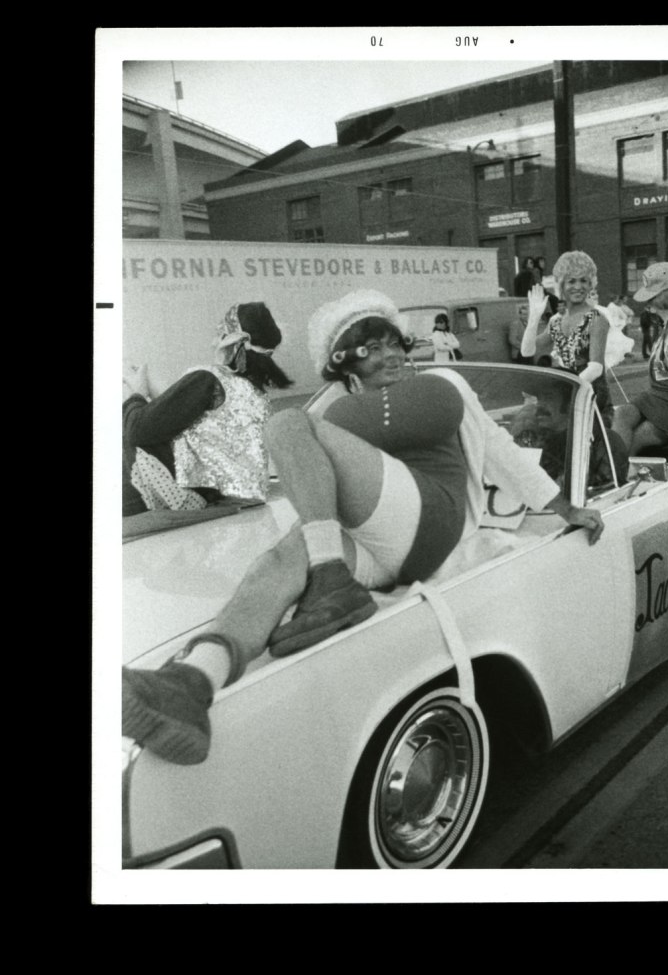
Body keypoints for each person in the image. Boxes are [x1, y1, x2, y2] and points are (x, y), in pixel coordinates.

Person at [122, 289, 605, 765]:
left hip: (437, 517)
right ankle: (193, 682)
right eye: (370, 349)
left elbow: (499, 449)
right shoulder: (336, 410)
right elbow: (319, 491)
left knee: (287, 425)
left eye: (393, 342)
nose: (389, 355)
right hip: (377, 542)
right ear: (343, 362)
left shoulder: (444, 384)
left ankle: (329, 577)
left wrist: (564, 507)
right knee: (277, 562)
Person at [122, 302, 293, 517]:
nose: (213, 342)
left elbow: (137, 430)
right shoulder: (256, 394)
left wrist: (135, 394)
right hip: (237, 501)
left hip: (190, 500)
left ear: (233, 342)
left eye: (220, 334)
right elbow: (199, 427)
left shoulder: (207, 379)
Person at [520, 251, 612, 418]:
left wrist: (563, 389)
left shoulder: (597, 319)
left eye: (584, 280)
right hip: (565, 396)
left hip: (592, 398)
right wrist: (533, 317)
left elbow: (596, 369)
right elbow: (528, 351)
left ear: (591, 284)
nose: (578, 287)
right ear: (561, 285)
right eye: (571, 281)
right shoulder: (556, 321)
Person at [612, 263, 668, 455]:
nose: (647, 303)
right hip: (658, 400)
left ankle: (619, 476)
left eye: (652, 297)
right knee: (622, 414)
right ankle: (614, 470)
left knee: (639, 438)